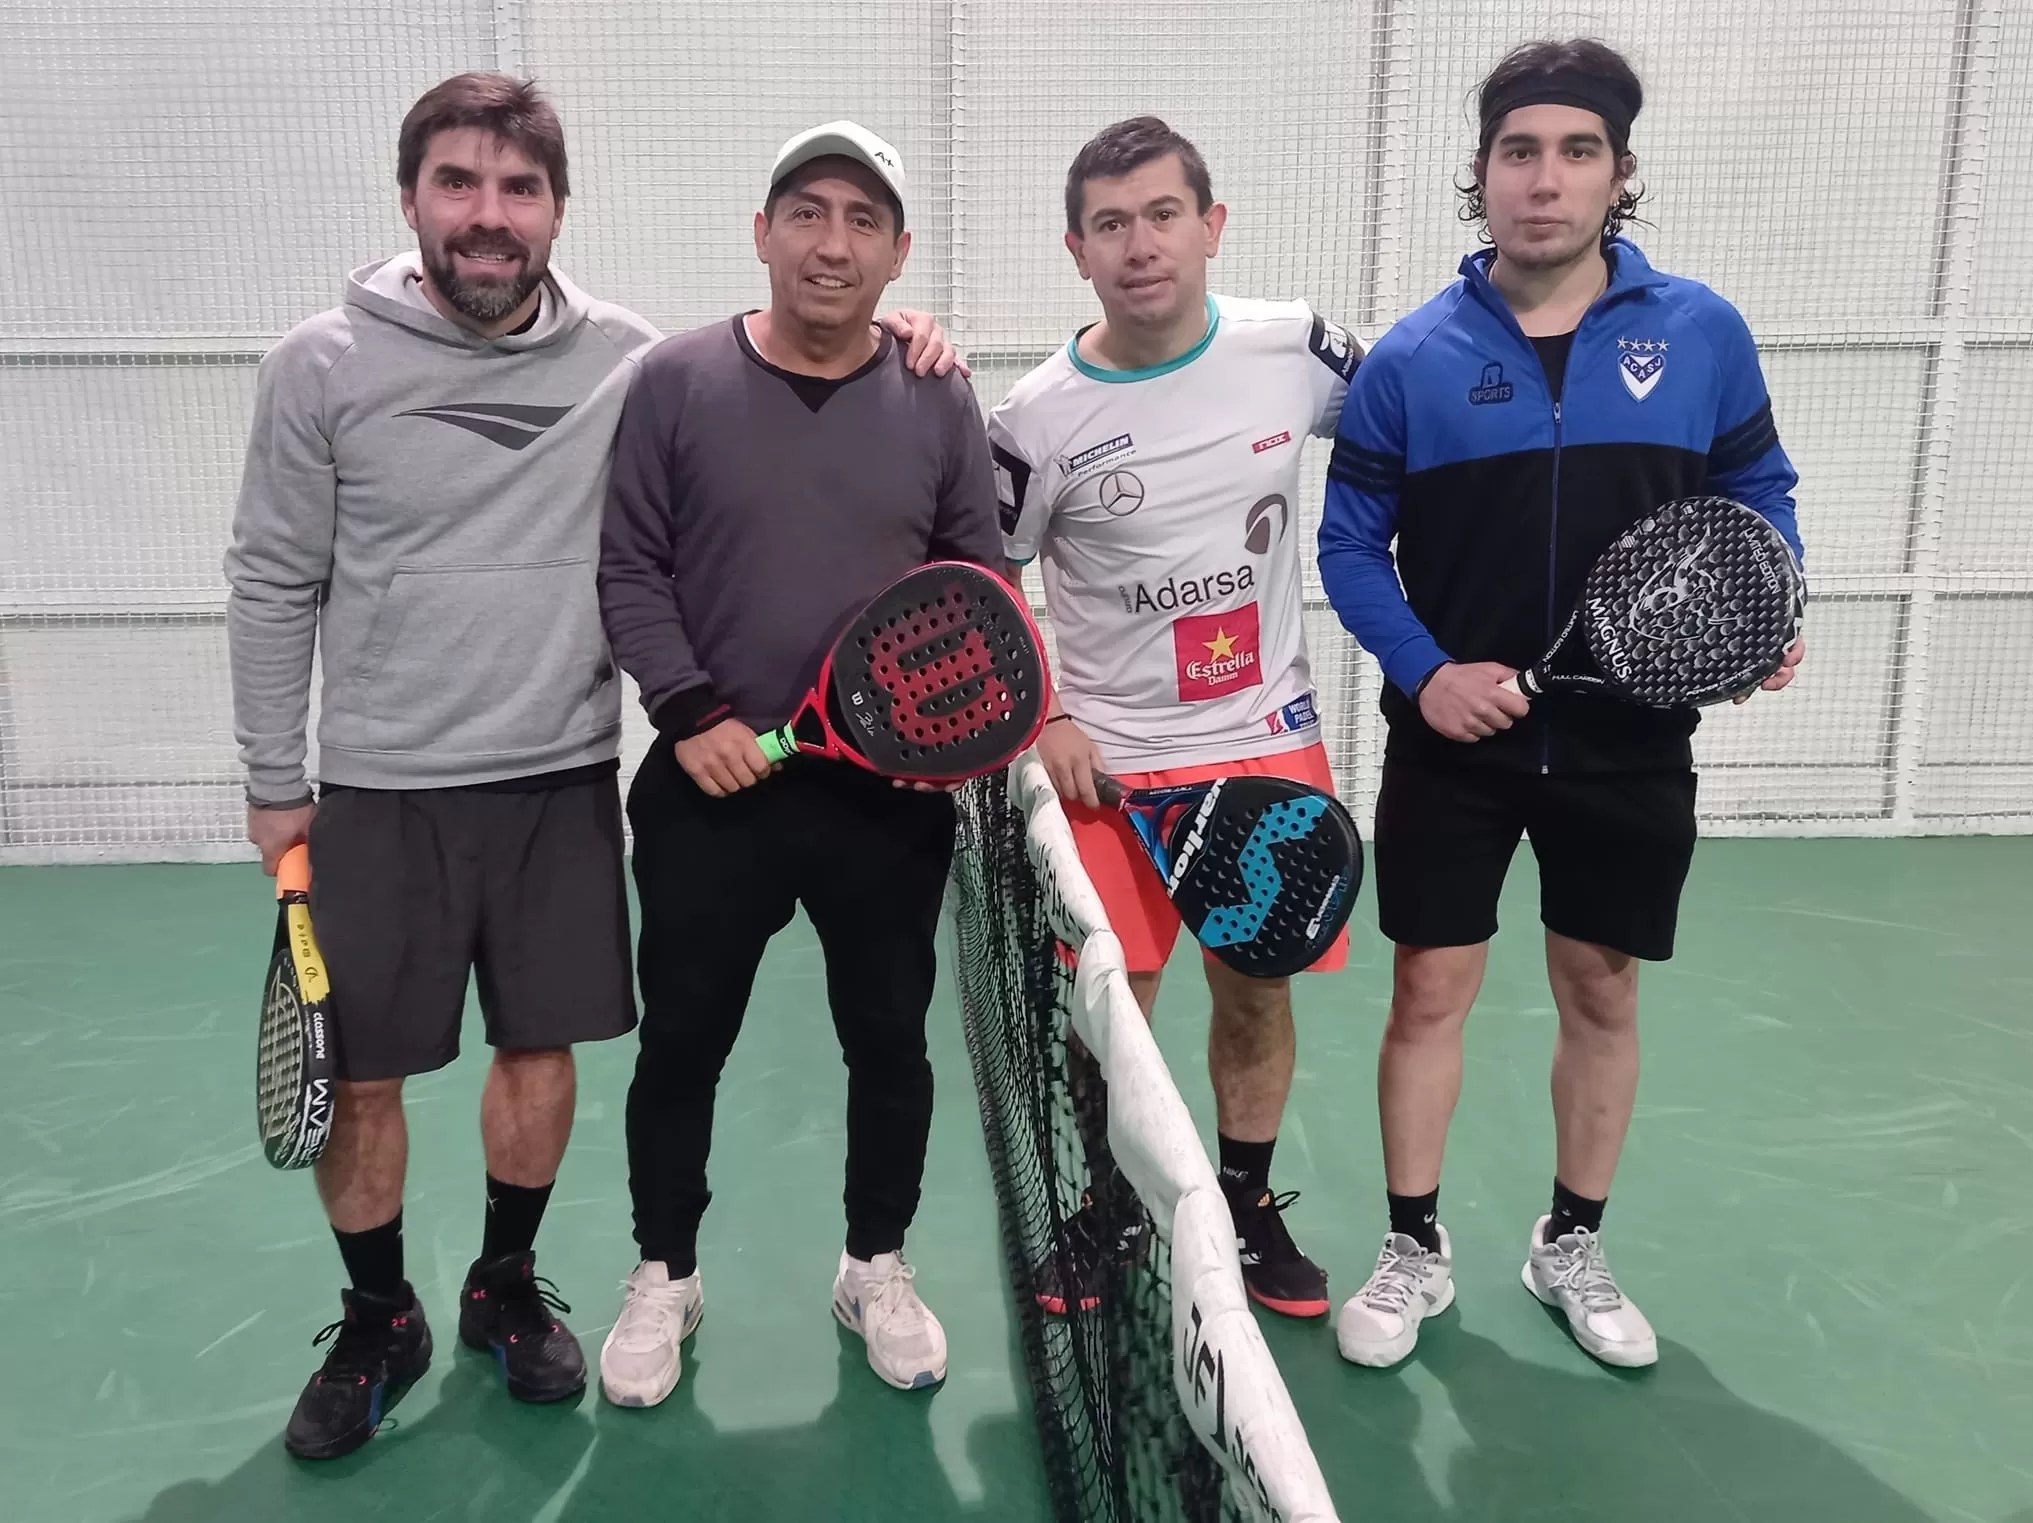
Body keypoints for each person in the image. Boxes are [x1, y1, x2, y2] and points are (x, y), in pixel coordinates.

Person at [225, 77, 959, 1461]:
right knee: (371, 1077)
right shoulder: (320, 365)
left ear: (558, 210)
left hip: (559, 772)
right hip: (380, 784)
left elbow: (818, 395)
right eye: (459, 184)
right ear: (411, 201)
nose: (488, 216)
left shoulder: (626, 359)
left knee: (540, 1053)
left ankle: (506, 1284)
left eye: (519, 190)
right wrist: (277, 775)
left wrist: (912, 341)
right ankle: (381, 1313)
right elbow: (271, 578)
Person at [1317, 38, 1806, 1370]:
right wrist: (1427, 670)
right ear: (1480, 176)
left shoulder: (1697, 333)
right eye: (1519, 151)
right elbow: (1350, 547)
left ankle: (1570, 1240)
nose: (1546, 178)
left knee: (1602, 986)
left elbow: (1761, 492)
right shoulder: (1410, 358)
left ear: (1619, 173)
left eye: (1576, 151)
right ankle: (1414, 1244)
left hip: (1627, 739)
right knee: (1431, 985)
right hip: (1452, 747)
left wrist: (1772, 600)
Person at [593, 119, 1001, 1403]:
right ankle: (666, 1270)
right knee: (683, 1046)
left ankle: (873, 1261)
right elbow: (629, 566)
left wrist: (942, 726)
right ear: (761, 232)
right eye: (807, 212)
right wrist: (689, 708)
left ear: (896, 253)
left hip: (885, 801)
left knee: (889, 1042)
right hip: (709, 788)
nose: (832, 242)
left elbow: (976, 573)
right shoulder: (671, 380)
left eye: (861, 220)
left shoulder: (936, 390)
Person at [986, 116, 1362, 1320]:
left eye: (1160, 215)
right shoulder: (1033, 421)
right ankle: (1109, 1208)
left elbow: (1417, 445)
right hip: (1110, 766)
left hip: (1265, 735)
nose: (1138, 244)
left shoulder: (1294, 347)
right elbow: (985, 577)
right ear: (1074, 250)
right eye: (1109, 224)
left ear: (1210, 225)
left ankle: (1244, 1204)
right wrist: (1040, 710)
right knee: (1114, 1015)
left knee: (1256, 991)